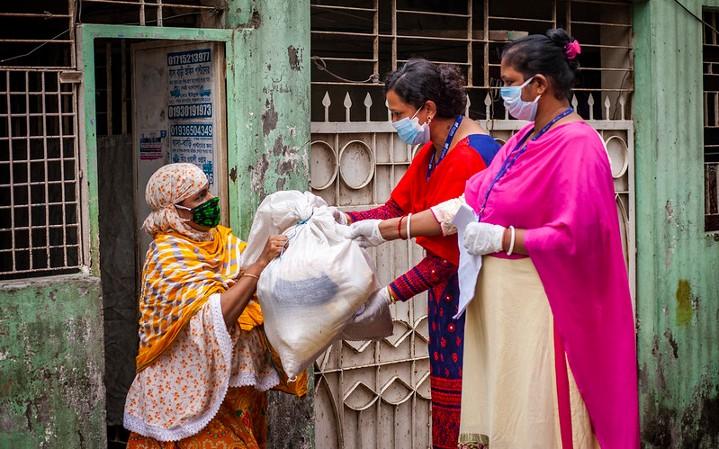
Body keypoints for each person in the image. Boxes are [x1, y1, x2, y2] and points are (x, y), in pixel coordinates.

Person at [348, 30, 638, 449]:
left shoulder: (578, 144)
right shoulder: (522, 141)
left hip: (546, 308)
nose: (502, 92)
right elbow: (466, 204)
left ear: (539, 85)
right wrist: (381, 229)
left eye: (507, 81)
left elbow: (579, 235)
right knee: (509, 414)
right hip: (505, 311)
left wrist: (506, 236)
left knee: (539, 415)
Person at [337, 58, 500, 449]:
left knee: (470, 405)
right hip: (447, 300)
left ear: (427, 109)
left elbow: (447, 258)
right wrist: (338, 218)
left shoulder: (474, 155)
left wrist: (387, 295)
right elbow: (395, 211)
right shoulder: (432, 151)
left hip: (474, 298)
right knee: (447, 396)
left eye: (398, 113)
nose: (394, 122)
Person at [123, 163, 303, 449]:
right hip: (186, 395)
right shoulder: (167, 255)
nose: (210, 201)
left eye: (207, 192)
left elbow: (260, 282)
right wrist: (259, 265)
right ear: (174, 210)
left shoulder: (220, 240)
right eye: (199, 197)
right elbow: (219, 314)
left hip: (234, 391)